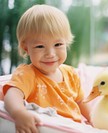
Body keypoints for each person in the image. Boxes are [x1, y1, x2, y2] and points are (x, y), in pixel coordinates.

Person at [3, 4, 91, 133]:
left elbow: (81, 101)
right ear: (26, 48)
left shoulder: (71, 73)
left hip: (76, 128)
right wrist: (19, 113)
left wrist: (93, 120)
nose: (50, 53)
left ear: (66, 43)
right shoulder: (27, 74)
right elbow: (11, 96)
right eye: (40, 46)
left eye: (58, 44)